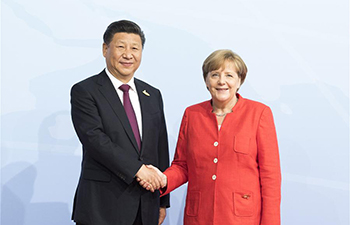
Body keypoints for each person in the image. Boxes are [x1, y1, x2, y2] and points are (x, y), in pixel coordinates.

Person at [140, 49, 281, 225]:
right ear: (206, 80)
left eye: (229, 75)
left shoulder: (259, 113)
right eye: (215, 75)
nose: (222, 81)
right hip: (199, 216)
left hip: (242, 218)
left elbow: (270, 177)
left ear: (240, 80)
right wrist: (163, 179)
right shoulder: (192, 114)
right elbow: (182, 166)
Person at [70, 20, 170, 225]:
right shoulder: (85, 91)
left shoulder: (152, 94)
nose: (128, 54)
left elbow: (160, 147)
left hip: (145, 205)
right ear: (105, 49)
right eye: (121, 47)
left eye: (135, 48)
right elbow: (95, 140)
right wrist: (138, 170)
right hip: (102, 206)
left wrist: (162, 200)